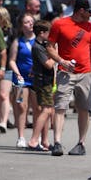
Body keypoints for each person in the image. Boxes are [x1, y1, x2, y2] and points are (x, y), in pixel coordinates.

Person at [46, 0, 91, 156]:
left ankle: (81, 143)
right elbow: (49, 47)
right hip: (65, 73)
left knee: (84, 108)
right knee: (60, 107)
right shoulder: (59, 24)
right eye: (90, 11)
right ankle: (57, 143)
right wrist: (61, 61)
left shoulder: (90, 26)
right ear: (81, 11)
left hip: (85, 73)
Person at [8, 13, 37, 148]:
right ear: (21, 26)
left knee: (37, 107)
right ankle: (21, 136)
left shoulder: (39, 40)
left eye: (31, 21)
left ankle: (36, 136)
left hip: (36, 79)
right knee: (21, 106)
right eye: (26, 22)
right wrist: (17, 73)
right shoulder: (18, 41)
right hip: (21, 79)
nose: (30, 24)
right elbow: (12, 60)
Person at [28, 20, 55, 151]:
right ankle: (34, 140)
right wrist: (55, 54)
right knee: (46, 110)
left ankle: (45, 141)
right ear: (42, 33)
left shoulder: (43, 45)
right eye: (49, 33)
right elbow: (48, 64)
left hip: (46, 81)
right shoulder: (37, 47)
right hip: (43, 82)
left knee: (46, 110)